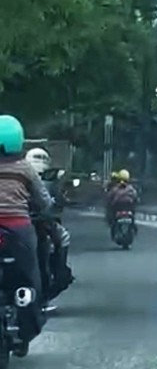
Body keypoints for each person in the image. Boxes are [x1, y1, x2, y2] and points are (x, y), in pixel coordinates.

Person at [0, 115, 52, 347]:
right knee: (31, 274)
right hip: (19, 228)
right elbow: (44, 202)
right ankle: (32, 310)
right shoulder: (25, 169)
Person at [24, 149, 74, 301]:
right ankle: (59, 271)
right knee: (63, 238)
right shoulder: (26, 174)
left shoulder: (23, 172)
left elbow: (56, 199)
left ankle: (58, 272)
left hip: (22, 222)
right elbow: (48, 202)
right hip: (28, 222)